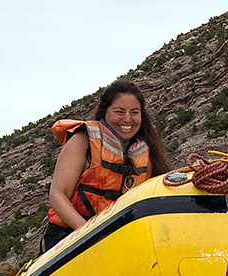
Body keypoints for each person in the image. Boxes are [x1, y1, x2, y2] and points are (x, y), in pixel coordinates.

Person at [43, 80, 170, 252]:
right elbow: (58, 195)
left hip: (117, 238)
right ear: (106, 112)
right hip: (69, 234)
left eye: (134, 112)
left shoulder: (148, 152)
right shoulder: (83, 140)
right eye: (119, 111)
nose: (127, 119)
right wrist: (89, 234)